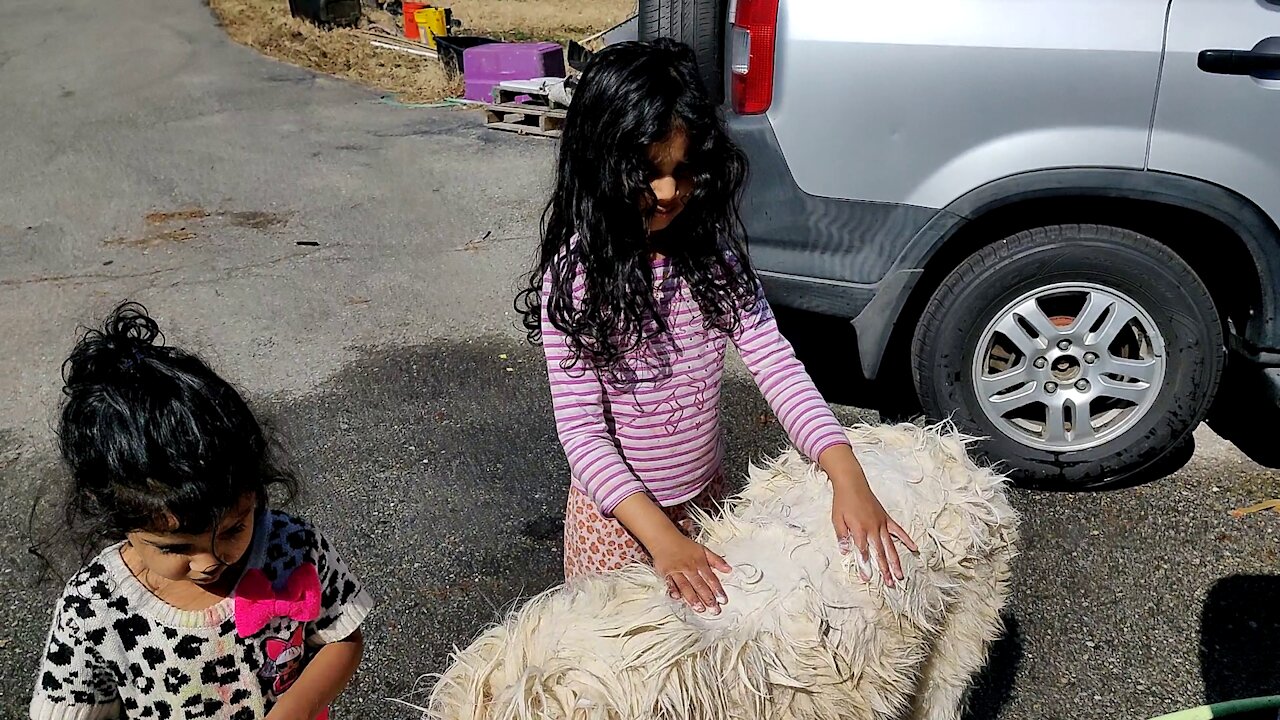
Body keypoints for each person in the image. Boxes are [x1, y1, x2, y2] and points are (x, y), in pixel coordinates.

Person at [515, 38, 918, 617]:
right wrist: (662, 540)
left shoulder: (712, 259)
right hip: (619, 529)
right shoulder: (579, 277)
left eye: (684, 172)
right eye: (646, 173)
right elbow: (582, 434)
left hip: (707, 502)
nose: (668, 193)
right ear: (600, 165)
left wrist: (847, 475)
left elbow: (777, 364)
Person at [29, 302, 372, 720]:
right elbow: (70, 709)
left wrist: (296, 709)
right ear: (119, 522)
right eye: (176, 548)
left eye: (233, 529)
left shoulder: (293, 547)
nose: (210, 561)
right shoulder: (94, 606)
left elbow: (342, 637)